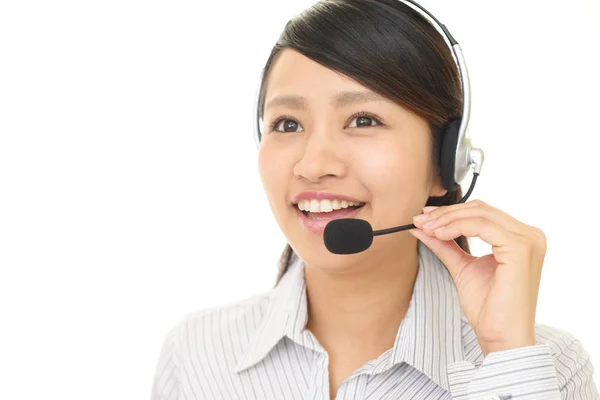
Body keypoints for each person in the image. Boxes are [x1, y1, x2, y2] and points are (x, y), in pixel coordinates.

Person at [150, 0, 599, 399]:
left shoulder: (548, 368)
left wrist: (504, 355)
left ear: (446, 163)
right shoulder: (196, 355)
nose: (313, 164)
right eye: (288, 124)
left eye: (363, 119)